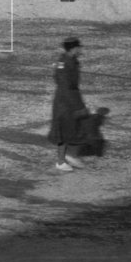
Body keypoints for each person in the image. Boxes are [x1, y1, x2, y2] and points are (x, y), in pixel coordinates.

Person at [49, 37, 90, 172]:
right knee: (63, 131)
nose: (81, 49)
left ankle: (70, 155)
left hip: (67, 100)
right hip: (65, 103)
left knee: (70, 129)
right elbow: (66, 87)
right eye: (79, 47)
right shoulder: (65, 63)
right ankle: (61, 161)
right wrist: (79, 107)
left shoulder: (69, 61)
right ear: (74, 48)